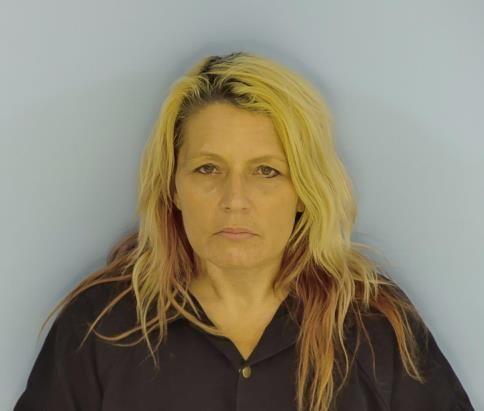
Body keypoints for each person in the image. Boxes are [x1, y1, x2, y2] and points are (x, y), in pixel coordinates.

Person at [14, 51, 475, 411]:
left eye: (266, 171)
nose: (235, 199)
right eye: (208, 168)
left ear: (304, 191)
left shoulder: (375, 326)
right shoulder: (101, 326)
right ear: (173, 187)